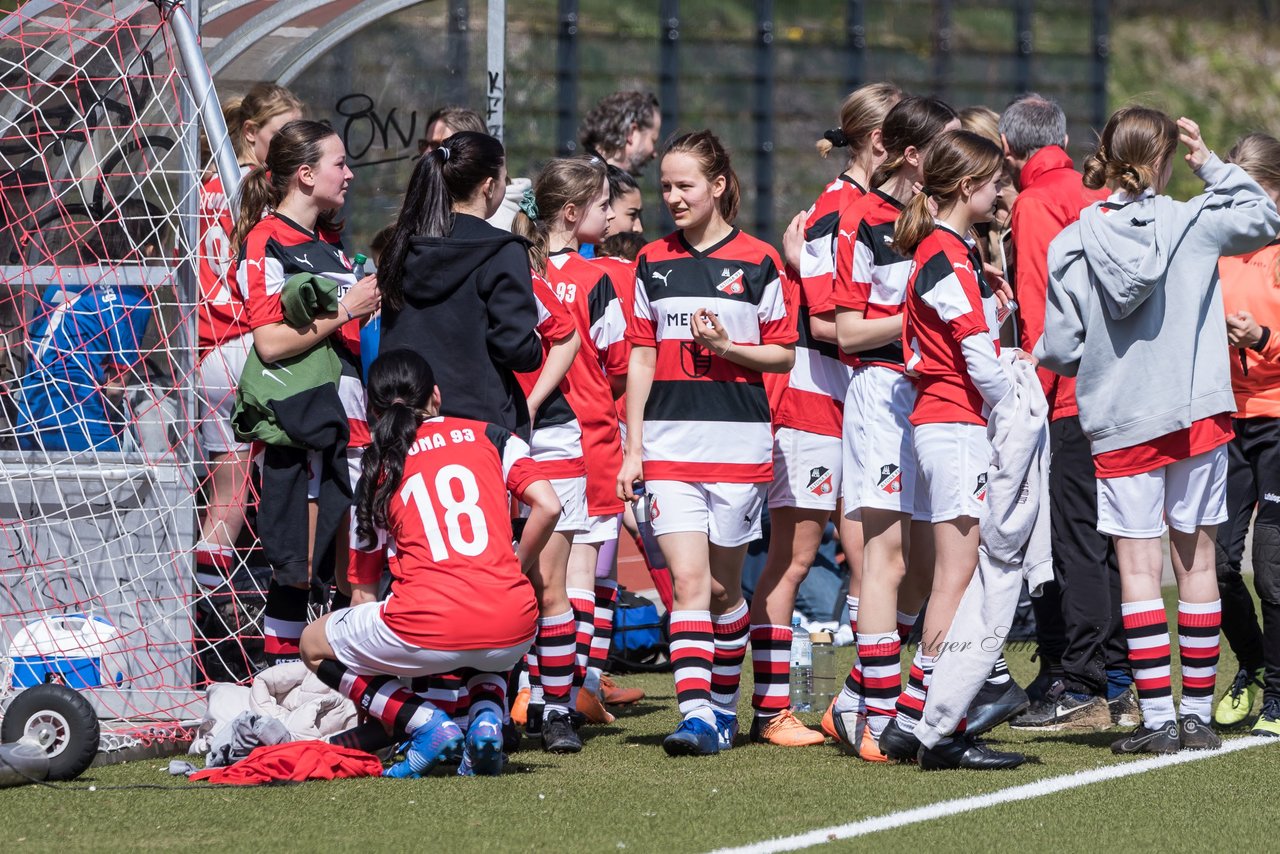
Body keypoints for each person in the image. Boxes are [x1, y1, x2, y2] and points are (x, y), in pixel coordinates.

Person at [1036, 108, 1280, 754]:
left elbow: (1059, 349)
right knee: (1197, 564)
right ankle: (1196, 716)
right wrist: (1213, 165)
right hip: (1197, 415)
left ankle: (1158, 722)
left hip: (1123, 423)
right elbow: (1268, 218)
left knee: (1139, 572)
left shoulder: (1075, 240)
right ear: (1168, 157)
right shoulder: (1192, 221)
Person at [618, 130, 796, 756]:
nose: (671, 196)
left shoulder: (759, 260)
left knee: (724, 590)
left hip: (740, 448)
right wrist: (634, 447)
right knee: (689, 583)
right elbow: (641, 357)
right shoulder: (651, 262)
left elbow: (783, 355)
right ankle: (697, 715)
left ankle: (724, 707)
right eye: (664, 186)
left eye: (683, 184)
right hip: (669, 448)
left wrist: (727, 348)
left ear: (718, 186)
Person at [302, 349, 561, 777]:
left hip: (429, 624)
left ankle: (426, 725)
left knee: (313, 643)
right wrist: (515, 567)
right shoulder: (494, 436)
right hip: (514, 625)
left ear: (372, 410)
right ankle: (485, 721)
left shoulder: (377, 467)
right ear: (436, 396)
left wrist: (381, 706)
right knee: (485, 646)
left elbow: (363, 592)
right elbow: (548, 506)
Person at [748, 82, 900, 750]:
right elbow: (827, 323)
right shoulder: (841, 210)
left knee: (873, 561)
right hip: (815, 401)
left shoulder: (874, 207)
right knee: (794, 558)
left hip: (860, 400)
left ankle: (858, 703)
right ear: (880, 143)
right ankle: (772, 707)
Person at [827, 97, 970, 761]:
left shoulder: (937, 221)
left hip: (932, 399)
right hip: (882, 394)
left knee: (922, 569)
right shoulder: (861, 219)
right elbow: (847, 330)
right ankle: (880, 720)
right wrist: (917, 318)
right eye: (945, 143)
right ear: (912, 153)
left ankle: (862, 695)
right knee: (883, 563)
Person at [995, 94, 1131, 731]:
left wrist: (1030, 395)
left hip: (1068, 393)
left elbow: (1043, 309)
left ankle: (1080, 682)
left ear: (1007, 148)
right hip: (1121, 391)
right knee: (1109, 542)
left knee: (1071, 540)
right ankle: (1113, 674)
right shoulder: (1095, 192)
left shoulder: (1033, 201)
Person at [893, 128, 1027, 770]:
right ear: (969, 186)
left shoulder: (949, 251)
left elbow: (964, 342)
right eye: (995, 181)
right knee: (957, 577)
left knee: (957, 574)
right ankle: (932, 726)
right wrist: (1018, 398)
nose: (1002, 191)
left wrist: (995, 319)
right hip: (953, 423)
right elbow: (976, 362)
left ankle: (913, 717)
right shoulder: (945, 254)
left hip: (947, 421)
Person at [231, 119, 380, 664]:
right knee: (300, 569)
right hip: (308, 424)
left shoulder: (334, 247)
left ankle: (352, 691)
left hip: (357, 422)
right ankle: (282, 685)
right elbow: (270, 342)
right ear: (304, 173)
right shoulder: (266, 238)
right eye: (339, 164)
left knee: (358, 572)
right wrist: (348, 309)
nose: (350, 173)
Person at [514, 155, 630, 725]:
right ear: (571, 212)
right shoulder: (598, 277)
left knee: (534, 569)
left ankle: (535, 687)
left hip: (529, 432)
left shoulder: (521, 271)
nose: (610, 215)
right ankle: (574, 685)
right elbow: (617, 364)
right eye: (604, 205)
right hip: (589, 436)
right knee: (583, 572)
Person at [194, 82, 303, 591]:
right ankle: (215, 608)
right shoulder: (258, 191)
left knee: (228, 492)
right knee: (272, 487)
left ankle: (206, 599)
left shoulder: (202, 185)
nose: (291, 146)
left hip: (208, 350)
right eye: (282, 135)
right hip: (248, 348)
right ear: (251, 133)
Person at [377, 131, 543, 438]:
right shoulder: (502, 250)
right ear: (489, 186)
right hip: (479, 428)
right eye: (504, 180)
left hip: (407, 421)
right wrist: (537, 344)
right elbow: (517, 349)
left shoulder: (402, 246)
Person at [1206, 133, 1280, 736]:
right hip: (1224, 423)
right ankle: (1253, 666)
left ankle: (1279, 695)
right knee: (1219, 565)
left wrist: (1261, 339)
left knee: (1273, 566)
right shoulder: (1215, 248)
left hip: (1277, 419)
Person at [579, 91, 662, 176]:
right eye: (653, 141)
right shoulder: (595, 184)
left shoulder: (579, 176)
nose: (654, 154)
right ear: (631, 132)